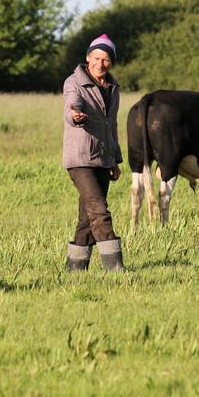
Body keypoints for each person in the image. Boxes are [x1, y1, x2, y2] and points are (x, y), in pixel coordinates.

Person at [62, 34, 128, 273]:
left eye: (106, 59)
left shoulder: (113, 87)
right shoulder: (74, 82)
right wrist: (75, 116)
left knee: (87, 219)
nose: (100, 63)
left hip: (103, 158)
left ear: (111, 62)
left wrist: (116, 160)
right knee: (100, 210)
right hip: (80, 159)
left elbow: (112, 125)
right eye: (96, 58)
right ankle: (115, 267)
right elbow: (71, 105)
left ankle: (75, 270)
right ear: (88, 57)